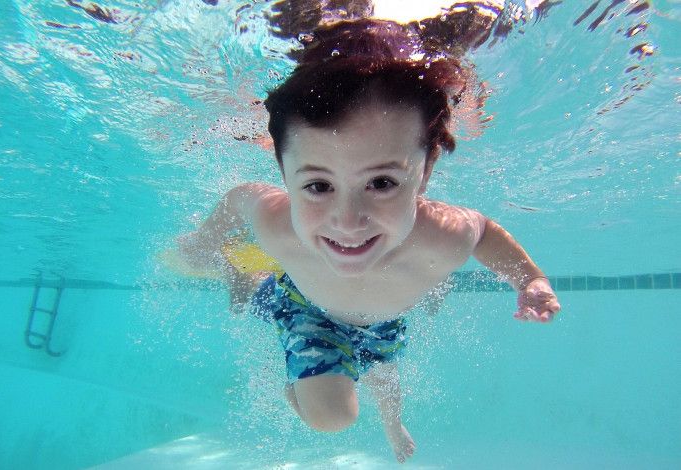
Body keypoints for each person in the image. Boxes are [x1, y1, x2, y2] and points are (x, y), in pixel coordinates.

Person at [172, 19, 561, 464]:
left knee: (384, 376)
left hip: (383, 321)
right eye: (318, 186)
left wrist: (529, 280)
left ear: (425, 171)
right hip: (305, 309)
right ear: (284, 176)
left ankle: (394, 427)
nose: (348, 222)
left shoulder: (444, 234)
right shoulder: (277, 224)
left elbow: (486, 233)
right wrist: (206, 238)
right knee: (331, 417)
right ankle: (245, 275)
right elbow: (240, 199)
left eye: (381, 182)